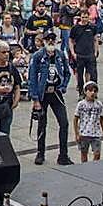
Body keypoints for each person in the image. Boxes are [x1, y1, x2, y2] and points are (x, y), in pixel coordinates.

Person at [28, 32, 72, 165]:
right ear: (44, 41)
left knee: (64, 123)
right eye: (48, 39)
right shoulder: (38, 56)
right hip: (42, 94)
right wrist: (35, 99)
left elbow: (67, 72)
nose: (51, 41)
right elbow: (32, 77)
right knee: (42, 124)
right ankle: (40, 153)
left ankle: (63, 155)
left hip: (56, 93)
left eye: (53, 39)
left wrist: (63, 86)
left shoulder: (60, 55)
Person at [72, 81, 103, 162]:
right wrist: (77, 134)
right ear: (85, 92)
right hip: (84, 133)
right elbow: (75, 119)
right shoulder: (81, 104)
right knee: (84, 154)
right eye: (90, 91)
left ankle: (94, 167)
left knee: (97, 154)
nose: (93, 93)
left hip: (96, 133)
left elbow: (101, 119)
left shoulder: (99, 105)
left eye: (95, 91)